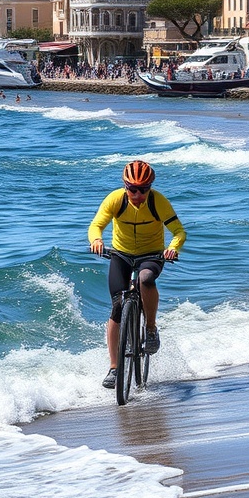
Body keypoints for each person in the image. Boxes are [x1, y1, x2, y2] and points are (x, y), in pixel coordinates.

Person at [88, 160, 186, 389]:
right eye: (132, 189)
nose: (138, 194)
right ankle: (114, 367)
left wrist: (173, 248)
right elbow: (96, 225)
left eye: (144, 189)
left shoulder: (158, 202)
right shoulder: (115, 199)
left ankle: (150, 329)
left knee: (146, 279)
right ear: (125, 186)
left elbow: (179, 232)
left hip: (151, 255)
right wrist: (96, 240)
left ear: (150, 187)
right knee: (117, 307)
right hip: (120, 254)